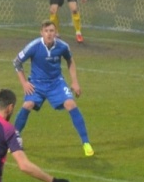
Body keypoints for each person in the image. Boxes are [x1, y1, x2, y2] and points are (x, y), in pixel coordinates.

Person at [13, 20, 94, 157]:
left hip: (56, 83)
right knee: (28, 104)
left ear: (55, 33)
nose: (49, 34)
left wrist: (74, 81)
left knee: (71, 103)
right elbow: (17, 62)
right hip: (37, 83)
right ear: (41, 33)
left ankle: (86, 143)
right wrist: (24, 83)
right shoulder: (34, 46)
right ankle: (13, 140)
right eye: (46, 31)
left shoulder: (62, 46)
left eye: (52, 31)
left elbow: (70, 60)